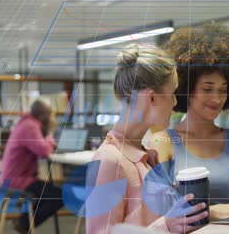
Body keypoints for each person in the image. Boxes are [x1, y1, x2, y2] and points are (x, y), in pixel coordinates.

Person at [86, 44, 208, 234]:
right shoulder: (110, 161)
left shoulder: (146, 157)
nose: (176, 103)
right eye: (172, 94)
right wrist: (166, 225)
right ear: (152, 98)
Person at [150, 24, 229, 230]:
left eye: (223, 90)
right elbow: (158, 215)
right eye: (207, 89)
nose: (216, 98)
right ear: (187, 88)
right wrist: (214, 212)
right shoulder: (163, 142)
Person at [0, 99, 63, 233]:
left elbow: (40, 147)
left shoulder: (26, 123)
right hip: (18, 180)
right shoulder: (30, 126)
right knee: (59, 196)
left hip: (14, 178)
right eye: (51, 115)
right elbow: (44, 151)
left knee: (50, 192)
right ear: (44, 116)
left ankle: (24, 222)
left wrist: (47, 138)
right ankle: (23, 223)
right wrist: (51, 134)